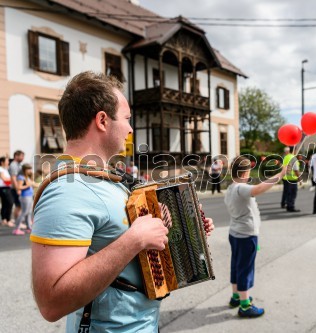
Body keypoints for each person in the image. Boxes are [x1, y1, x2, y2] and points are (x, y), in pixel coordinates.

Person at [30, 71, 214, 332]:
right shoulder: (67, 190)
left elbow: (115, 236)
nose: (130, 128)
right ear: (103, 120)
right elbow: (51, 302)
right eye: (127, 119)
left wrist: (177, 225)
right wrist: (134, 239)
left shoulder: (103, 177)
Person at [224, 155, 287, 318]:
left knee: (236, 265)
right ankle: (245, 306)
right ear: (245, 173)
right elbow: (258, 189)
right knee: (245, 268)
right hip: (246, 235)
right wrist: (280, 174)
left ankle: (236, 296)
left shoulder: (230, 188)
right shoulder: (240, 188)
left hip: (235, 233)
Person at [12, 164, 34, 235]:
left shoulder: (27, 177)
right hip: (25, 197)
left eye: (30, 169)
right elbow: (19, 187)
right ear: (25, 170)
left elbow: (32, 184)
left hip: (30, 196)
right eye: (29, 169)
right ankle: (16, 229)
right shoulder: (21, 177)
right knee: (24, 212)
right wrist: (28, 185)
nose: (30, 171)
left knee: (29, 212)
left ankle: (29, 227)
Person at [280, 147, 301, 212]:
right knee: (293, 193)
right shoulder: (293, 158)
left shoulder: (286, 157)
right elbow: (296, 170)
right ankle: (290, 206)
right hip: (292, 178)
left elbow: (283, 166)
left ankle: (287, 205)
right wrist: (300, 179)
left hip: (286, 177)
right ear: (294, 150)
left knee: (287, 192)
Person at [9, 150, 24, 220]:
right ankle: (17, 222)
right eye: (21, 156)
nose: (23, 158)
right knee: (18, 206)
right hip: (15, 188)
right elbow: (13, 178)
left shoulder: (18, 164)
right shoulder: (14, 165)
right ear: (16, 156)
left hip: (19, 188)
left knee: (20, 206)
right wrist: (17, 189)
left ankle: (18, 221)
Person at [0, 156, 14, 227]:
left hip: (7, 187)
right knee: (10, 202)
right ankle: (7, 220)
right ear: (2, 162)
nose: (8, 162)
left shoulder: (5, 169)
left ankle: (4, 219)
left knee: (5, 204)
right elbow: (4, 179)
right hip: (4, 188)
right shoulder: (1, 169)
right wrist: (13, 179)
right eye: (7, 161)